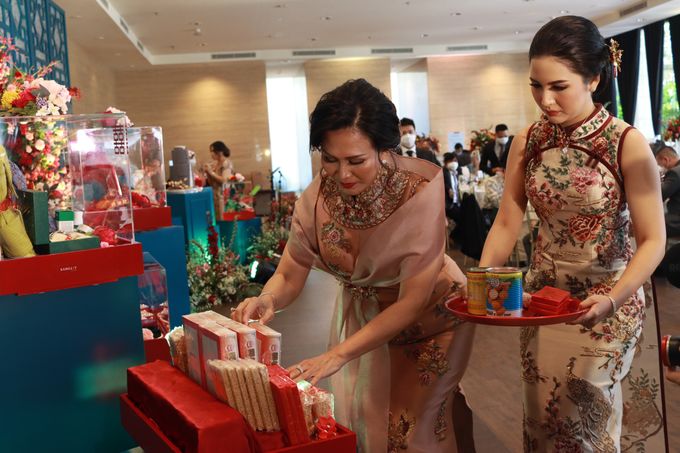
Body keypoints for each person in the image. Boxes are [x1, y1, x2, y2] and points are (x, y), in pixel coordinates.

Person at [232, 79, 476, 453]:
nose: (341, 173)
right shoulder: (318, 197)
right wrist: (269, 298)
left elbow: (411, 302)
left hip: (433, 317)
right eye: (330, 159)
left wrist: (337, 354)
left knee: (409, 429)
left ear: (384, 148)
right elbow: (291, 268)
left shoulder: (418, 192)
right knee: (367, 418)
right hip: (367, 321)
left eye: (356, 161)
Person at [478, 16, 666, 451]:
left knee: (583, 418)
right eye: (535, 86)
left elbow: (653, 239)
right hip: (542, 298)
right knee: (542, 418)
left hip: (609, 297)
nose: (545, 100)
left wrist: (613, 297)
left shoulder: (626, 142)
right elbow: (508, 218)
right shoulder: (528, 140)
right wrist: (485, 275)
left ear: (594, 79)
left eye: (558, 87)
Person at [203, 140, 234, 220]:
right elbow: (211, 183)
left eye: (212, 151)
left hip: (223, 197)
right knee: (215, 220)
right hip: (214, 196)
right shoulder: (215, 164)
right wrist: (208, 173)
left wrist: (211, 173)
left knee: (222, 219)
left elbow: (225, 181)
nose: (211, 154)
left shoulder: (226, 163)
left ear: (219, 151)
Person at [656, 145, 680, 236]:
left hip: (677, 219)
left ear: (666, 160)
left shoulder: (674, 172)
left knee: (650, 224)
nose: (661, 167)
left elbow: (660, 195)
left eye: (659, 164)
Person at [443, 152, 462, 226]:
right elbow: (443, 185)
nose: (454, 163)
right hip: (449, 204)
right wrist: (448, 189)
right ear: (446, 162)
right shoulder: (443, 172)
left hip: (458, 201)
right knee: (461, 216)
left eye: (455, 161)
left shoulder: (457, 171)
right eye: (452, 161)